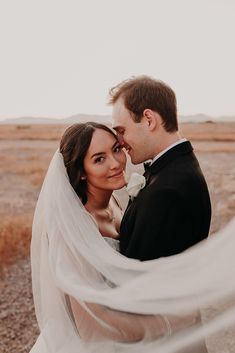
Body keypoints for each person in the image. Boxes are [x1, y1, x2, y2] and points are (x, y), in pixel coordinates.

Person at [30, 121, 215, 353]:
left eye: (116, 149)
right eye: (99, 159)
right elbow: (91, 329)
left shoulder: (115, 204)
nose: (116, 163)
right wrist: (168, 323)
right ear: (81, 172)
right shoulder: (73, 229)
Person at [109, 75, 212, 261]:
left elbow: (140, 277)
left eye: (122, 131)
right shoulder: (177, 167)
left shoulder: (167, 190)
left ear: (149, 119)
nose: (120, 142)